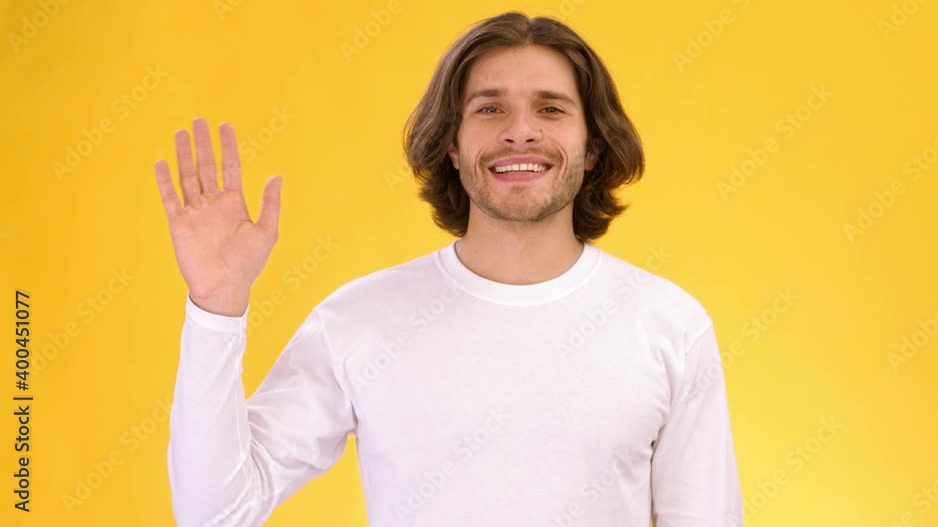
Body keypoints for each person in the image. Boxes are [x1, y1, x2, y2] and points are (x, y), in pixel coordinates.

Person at [155, 11, 742, 527]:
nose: (519, 130)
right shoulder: (359, 320)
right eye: (489, 108)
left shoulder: (668, 324)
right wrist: (216, 305)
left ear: (592, 147)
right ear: (453, 147)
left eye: (551, 108)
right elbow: (215, 514)